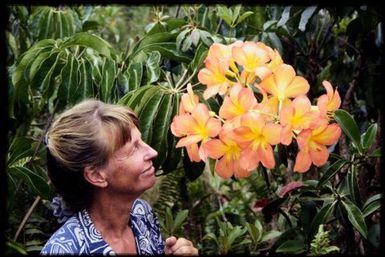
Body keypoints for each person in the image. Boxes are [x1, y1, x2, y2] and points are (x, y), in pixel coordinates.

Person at [41, 99, 199, 255]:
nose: (152, 152)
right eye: (133, 149)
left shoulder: (142, 214)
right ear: (96, 175)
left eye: (141, 141)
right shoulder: (65, 250)